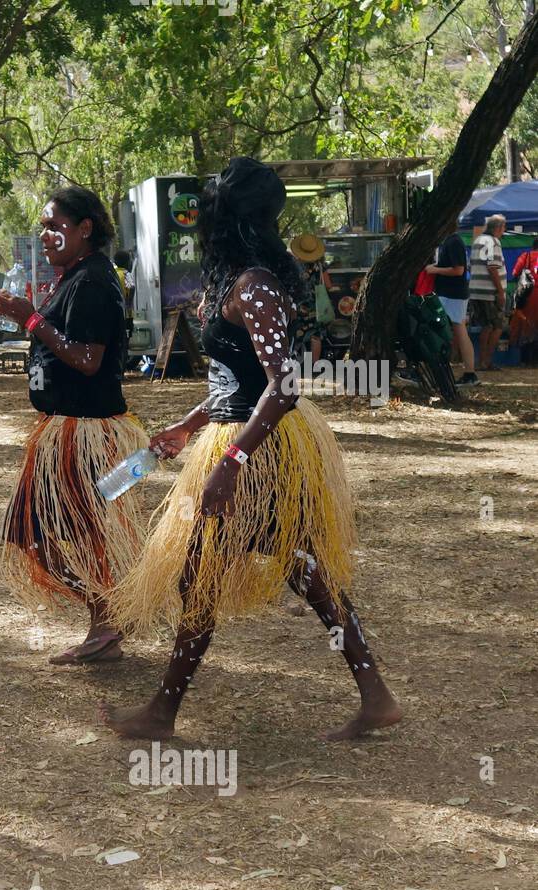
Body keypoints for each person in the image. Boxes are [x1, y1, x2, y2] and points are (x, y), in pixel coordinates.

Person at [104, 157, 401, 742]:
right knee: (301, 567)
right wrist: (191, 424)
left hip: (259, 452)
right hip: (241, 438)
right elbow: (233, 379)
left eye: (208, 209)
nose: (199, 219)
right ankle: (375, 694)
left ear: (228, 218)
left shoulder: (254, 286)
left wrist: (230, 464)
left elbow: (284, 386)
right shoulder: (235, 279)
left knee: (204, 573)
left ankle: (163, 712)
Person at [0, 186, 147, 665]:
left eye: (55, 226)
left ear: (85, 228)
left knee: (81, 533)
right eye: (43, 226)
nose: (45, 234)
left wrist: (30, 319)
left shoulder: (96, 281)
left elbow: (86, 359)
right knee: (30, 534)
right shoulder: (75, 276)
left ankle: (108, 622)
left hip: (87, 434)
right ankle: (110, 616)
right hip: (62, 431)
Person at [425, 228, 476, 383]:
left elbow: (458, 270)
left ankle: (469, 373)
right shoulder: (449, 241)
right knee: (456, 330)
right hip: (450, 294)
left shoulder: (453, 242)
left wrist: (435, 269)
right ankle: (467, 372)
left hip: (452, 294)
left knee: (459, 330)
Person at [468, 214, 507, 374]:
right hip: (489, 292)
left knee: (486, 326)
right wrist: (500, 291)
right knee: (497, 326)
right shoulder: (493, 242)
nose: (504, 231)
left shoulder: (477, 241)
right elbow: (492, 267)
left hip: (476, 290)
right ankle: (487, 361)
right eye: (503, 227)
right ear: (497, 228)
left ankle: (481, 361)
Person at [288, 233, 335, 364]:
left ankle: (294, 364)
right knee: (315, 336)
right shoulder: (320, 266)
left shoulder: (293, 265)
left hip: (297, 305)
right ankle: (314, 366)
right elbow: (329, 285)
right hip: (316, 306)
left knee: (295, 334)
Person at [507, 234, 538, 365]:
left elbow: (514, 273)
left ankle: (525, 359)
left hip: (528, 295)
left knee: (525, 325)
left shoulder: (525, 256)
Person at [113, 250, 135, 345]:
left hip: (114, 313)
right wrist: (129, 302)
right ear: (127, 262)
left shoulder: (112, 273)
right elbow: (131, 286)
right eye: (130, 260)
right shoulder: (126, 273)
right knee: (126, 338)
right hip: (126, 314)